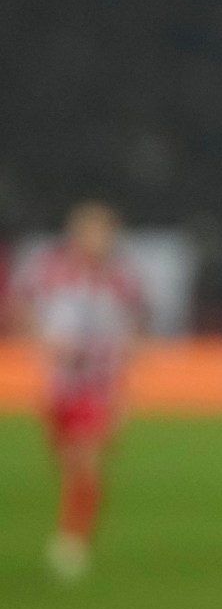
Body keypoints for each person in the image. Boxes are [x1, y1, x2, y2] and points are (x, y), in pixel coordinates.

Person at [9, 200, 146, 583]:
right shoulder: (50, 269)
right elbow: (22, 305)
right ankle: (75, 526)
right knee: (68, 460)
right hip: (59, 383)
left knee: (86, 458)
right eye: (89, 231)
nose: (96, 239)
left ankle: (72, 542)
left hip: (99, 383)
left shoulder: (121, 278)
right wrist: (41, 339)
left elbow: (135, 323)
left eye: (103, 232)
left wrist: (125, 373)